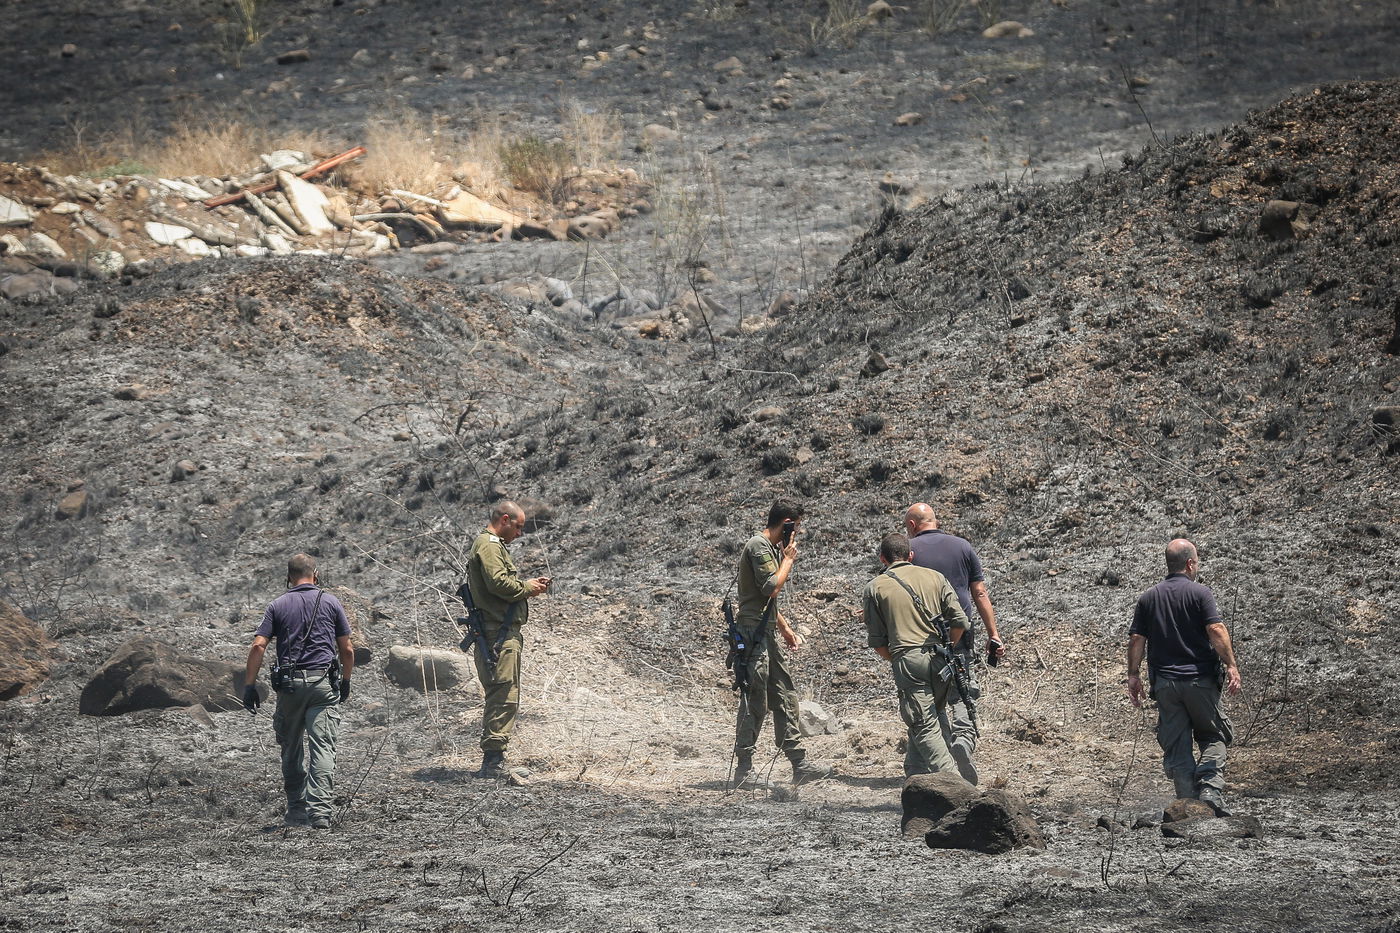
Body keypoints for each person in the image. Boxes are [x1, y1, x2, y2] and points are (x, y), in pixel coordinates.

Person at [1127, 538, 1243, 815]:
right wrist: (1231, 665)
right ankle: (1209, 789)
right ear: (1190, 563)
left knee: (1176, 743)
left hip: (1165, 685)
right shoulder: (1200, 593)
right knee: (1214, 736)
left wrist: (1133, 675)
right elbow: (1215, 629)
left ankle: (1187, 802)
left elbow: (1136, 639)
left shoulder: (1148, 597)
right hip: (1200, 681)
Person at [242, 553, 354, 829]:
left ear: (288, 577)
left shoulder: (277, 605)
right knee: (322, 748)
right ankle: (320, 814)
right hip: (322, 686)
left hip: (290, 688)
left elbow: (258, 645)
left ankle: (296, 811)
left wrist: (249, 685)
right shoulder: (331, 602)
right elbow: (347, 649)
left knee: (291, 749)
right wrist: (346, 680)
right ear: (316, 575)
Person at [730, 499, 830, 785]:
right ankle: (744, 770)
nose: (796, 532)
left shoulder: (771, 548)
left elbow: (768, 603)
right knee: (755, 699)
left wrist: (785, 629)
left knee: (785, 695)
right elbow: (771, 588)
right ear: (786, 523)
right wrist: (788, 560)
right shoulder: (758, 546)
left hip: (766, 631)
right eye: (795, 526)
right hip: (753, 633)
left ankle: (799, 763)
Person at [903, 502, 1003, 783]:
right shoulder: (962, 546)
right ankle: (964, 740)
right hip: (959, 633)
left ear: (912, 525)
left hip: (922, 637)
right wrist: (994, 634)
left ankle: (941, 753)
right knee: (962, 690)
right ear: (935, 520)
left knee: (930, 698)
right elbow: (979, 593)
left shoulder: (908, 551)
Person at [862, 533, 970, 780]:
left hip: (907, 658)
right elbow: (961, 621)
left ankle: (954, 782)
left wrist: (901, 659)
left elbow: (877, 642)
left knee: (923, 722)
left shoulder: (875, 587)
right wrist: (948, 647)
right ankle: (915, 774)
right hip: (941, 657)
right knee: (933, 714)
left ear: (882, 558)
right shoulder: (935, 577)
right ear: (910, 555)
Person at [465, 500, 550, 777]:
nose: (519, 533)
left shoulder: (491, 545)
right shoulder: (489, 545)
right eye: (518, 526)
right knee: (503, 694)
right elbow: (498, 583)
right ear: (505, 519)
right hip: (497, 633)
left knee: (503, 692)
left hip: (498, 631)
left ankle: (494, 758)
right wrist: (527, 587)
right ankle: (492, 762)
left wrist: (528, 587)